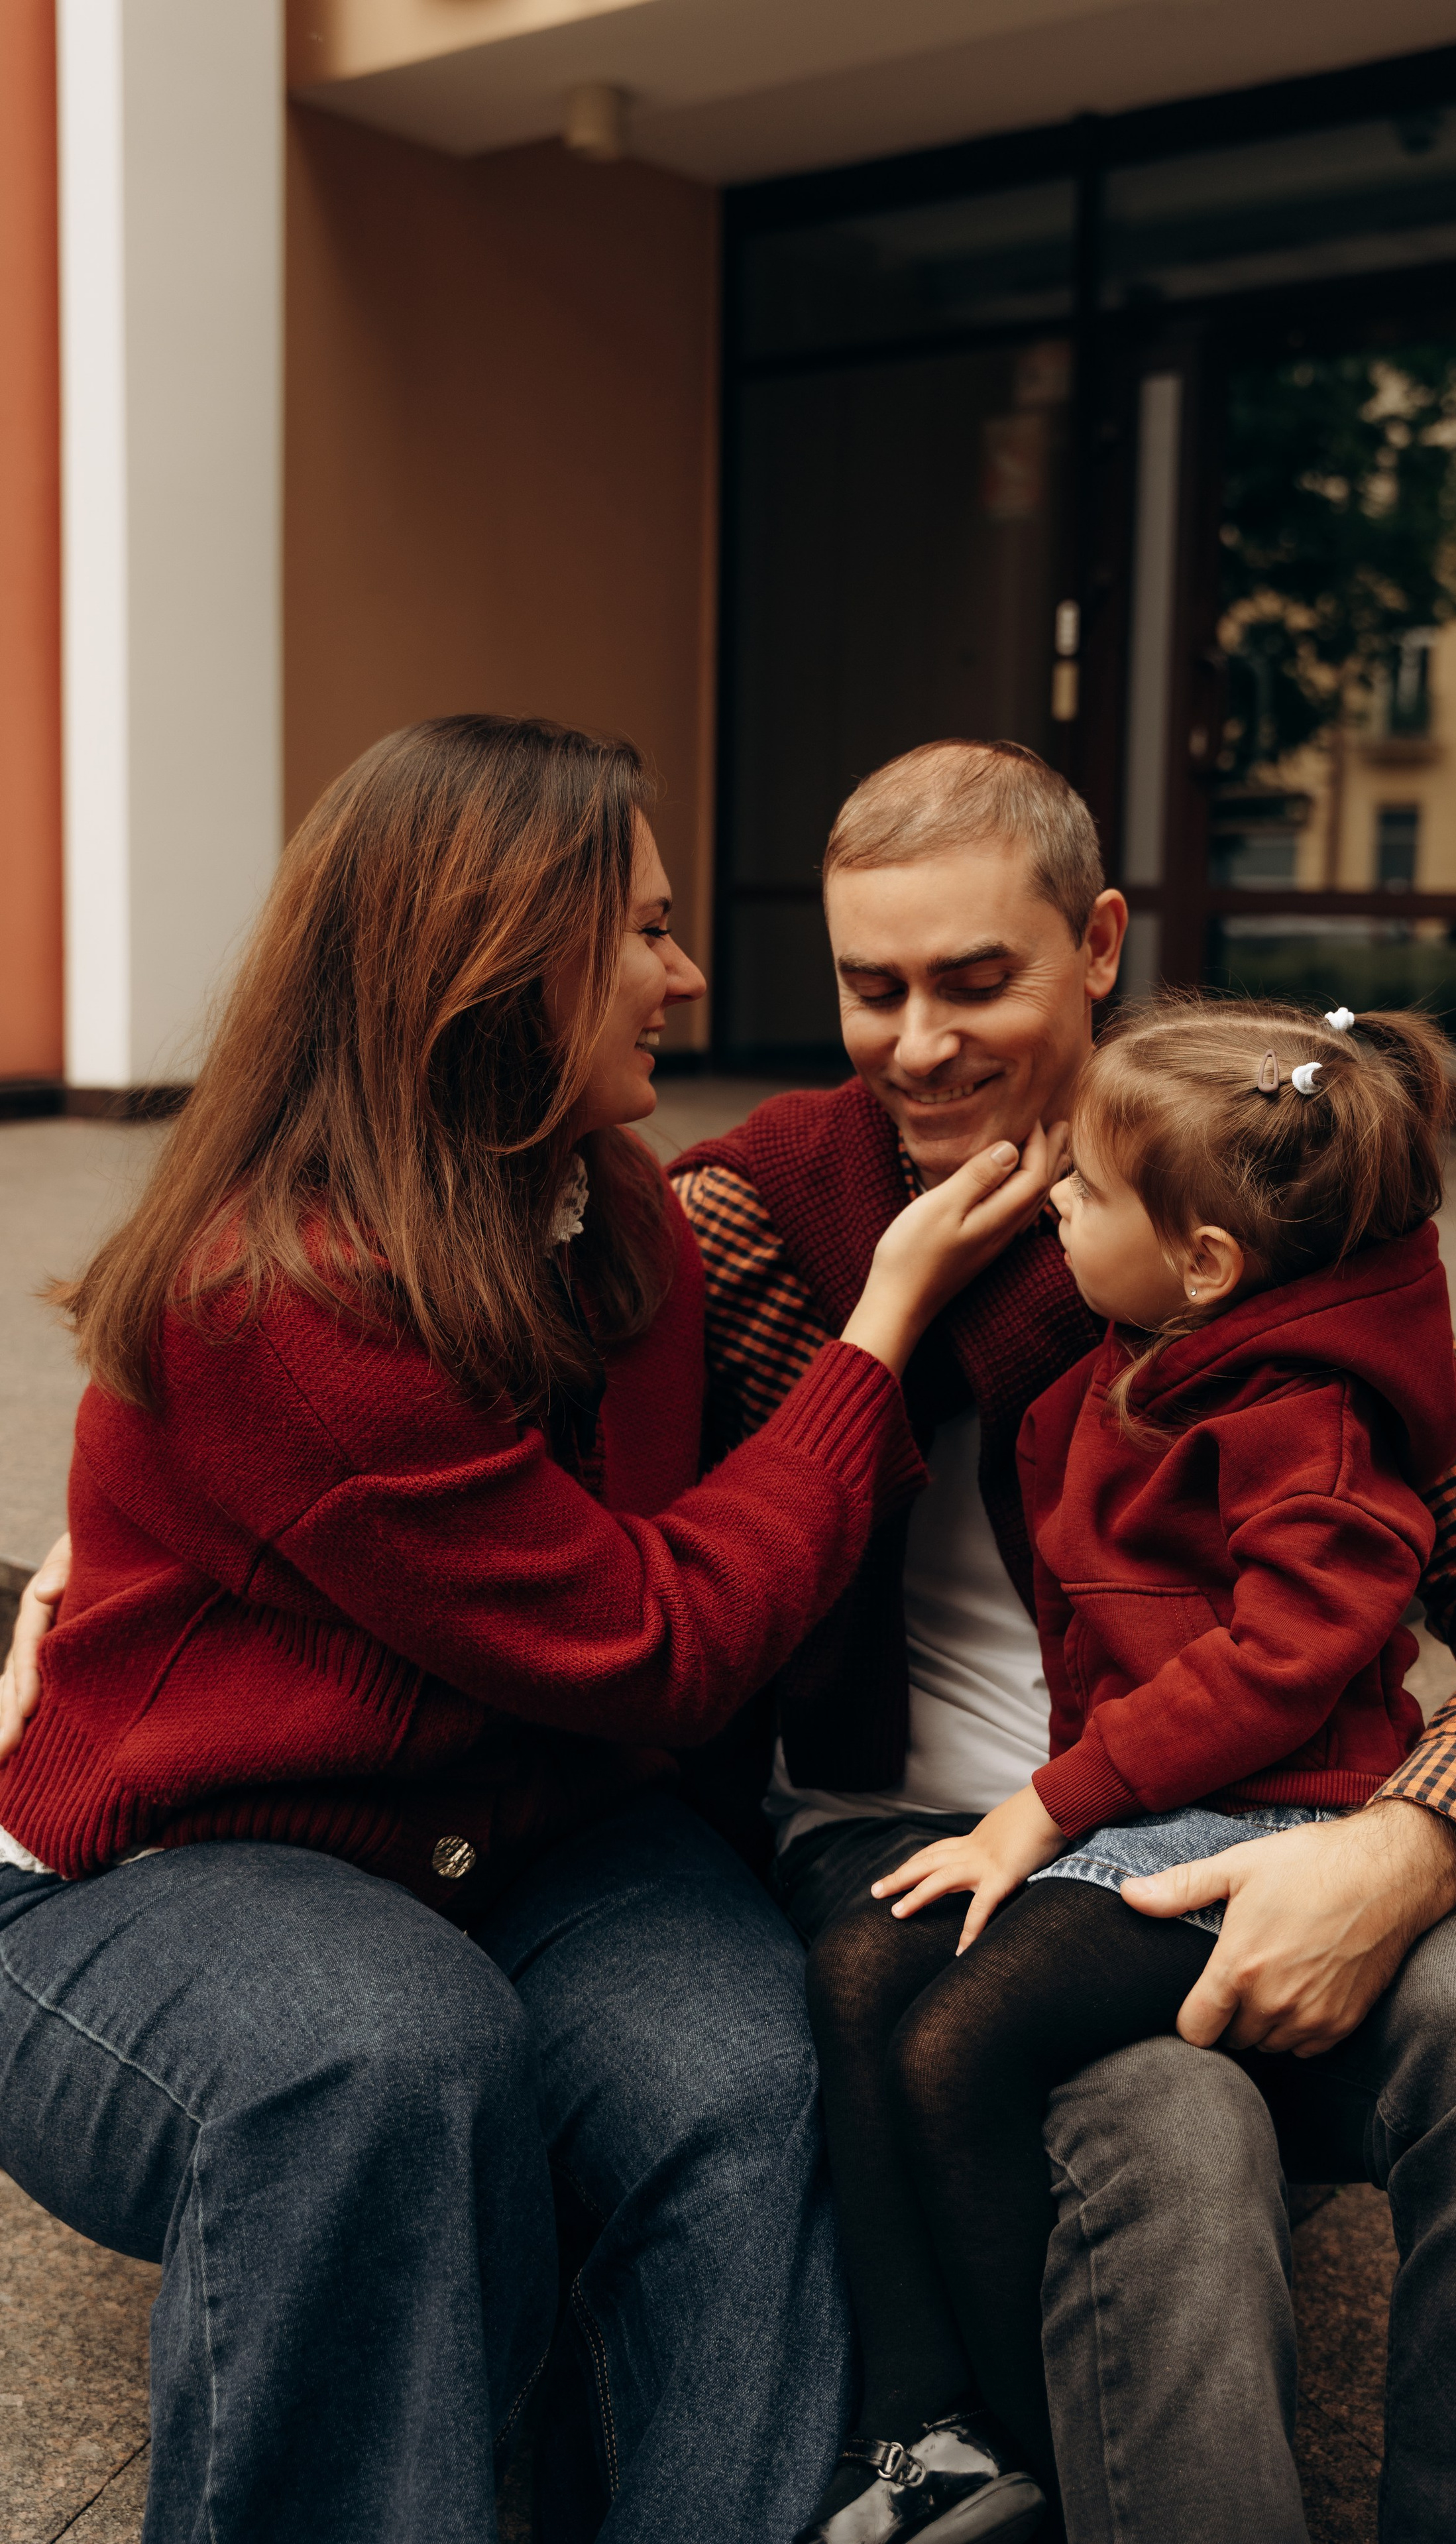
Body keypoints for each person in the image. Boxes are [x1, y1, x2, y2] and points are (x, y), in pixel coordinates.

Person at [0, 713, 1062, 2544]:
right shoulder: (280, 1289)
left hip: (534, 1832)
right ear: (500, 961)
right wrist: (875, 1335)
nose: (689, 971)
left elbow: (640, 1544)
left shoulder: (619, 1211)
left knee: (743, 2068)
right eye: (643, 928)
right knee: (381, 2046)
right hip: (174, 1861)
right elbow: (648, 1640)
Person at [668, 738, 1456, 2544]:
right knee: (1166, 2128)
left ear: (1099, 941)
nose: (919, 1041)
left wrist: (1410, 1841)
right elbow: (523, 1424)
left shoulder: (1245, 1200)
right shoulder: (759, 1227)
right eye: (872, 987)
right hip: (913, 1853)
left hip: (1250, 1814)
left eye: (979, 979)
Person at [797, 997, 1456, 2540]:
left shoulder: (1309, 1413)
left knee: (954, 2043)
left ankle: (1051, 2455)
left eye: (1085, 1193)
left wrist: (1039, 1810)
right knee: (856, 1970)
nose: (1052, 1201)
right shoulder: (1167, 1338)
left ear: (1208, 1261)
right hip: (1152, 1809)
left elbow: (1277, 1663)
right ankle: (923, 2426)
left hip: (1262, 1828)